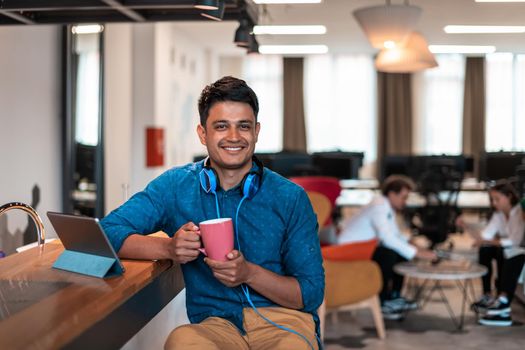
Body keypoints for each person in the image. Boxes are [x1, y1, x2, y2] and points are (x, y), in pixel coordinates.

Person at [101, 76, 324, 349]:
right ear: (203, 133)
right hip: (216, 325)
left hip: (284, 323)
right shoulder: (175, 186)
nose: (233, 137)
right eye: (221, 126)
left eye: (243, 126)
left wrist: (249, 273)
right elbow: (107, 232)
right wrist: (169, 248)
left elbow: (311, 293)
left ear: (256, 131)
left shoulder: (290, 197)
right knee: (181, 341)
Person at [337, 175, 436, 320]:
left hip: (364, 246)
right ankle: (382, 301)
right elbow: (388, 238)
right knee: (388, 254)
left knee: (396, 252)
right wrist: (416, 252)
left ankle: (394, 296)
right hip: (349, 248)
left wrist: (415, 246)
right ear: (391, 194)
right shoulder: (379, 206)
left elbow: (395, 234)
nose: (405, 202)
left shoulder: (385, 206)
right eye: (403, 197)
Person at [459, 181, 525, 327]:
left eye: (497, 199)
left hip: (518, 251)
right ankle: (488, 295)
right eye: (492, 200)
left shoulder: (519, 211)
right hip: (509, 250)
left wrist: (489, 240)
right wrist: (466, 227)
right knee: (486, 249)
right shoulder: (499, 215)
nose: (494, 203)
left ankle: (503, 301)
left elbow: (514, 241)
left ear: (508, 196)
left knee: (507, 251)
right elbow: (485, 236)